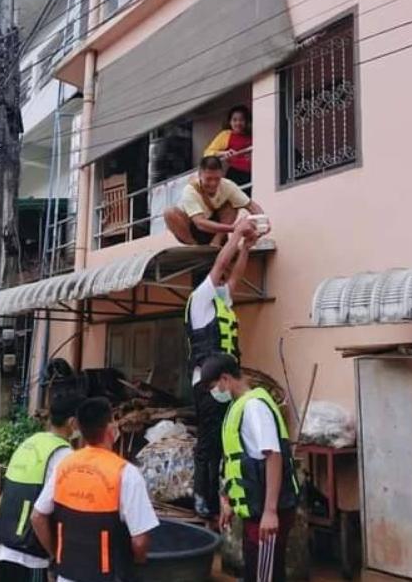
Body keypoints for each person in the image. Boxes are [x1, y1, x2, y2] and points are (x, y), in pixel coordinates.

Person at [31, 397, 159, 582]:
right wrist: (136, 565)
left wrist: (56, 556)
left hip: (67, 574)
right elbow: (140, 541)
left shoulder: (64, 465)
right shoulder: (126, 473)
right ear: (110, 429)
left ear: (80, 429)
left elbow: (38, 516)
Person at [200, 353, 300, 582]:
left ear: (225, 379)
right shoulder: (239, 407)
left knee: (265, 576)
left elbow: (272, 456)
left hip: (266, 510)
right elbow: (239, 462)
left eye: (213, 387)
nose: (214, 393)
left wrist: (270, 511)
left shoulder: (254, 407)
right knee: (256, 571)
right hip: (254, 510)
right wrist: (228, 499)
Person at [185, 215, 259, 521]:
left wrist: (247, 247)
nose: (225, 278)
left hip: (227, 383)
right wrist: (236, 233)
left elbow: (235, 277)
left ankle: (228, 497)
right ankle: (204, 502)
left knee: (231, 440)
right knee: (210, 442)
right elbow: (219, 267)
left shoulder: (221, 300)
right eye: (219, 276)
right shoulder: (201, 299)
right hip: (208, 384)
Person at [0, 395, 82, 582]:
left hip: (4, 549)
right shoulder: (64, 455)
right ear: (72, 422)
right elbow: (38, 516)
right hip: (31, 556)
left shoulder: (29, 443)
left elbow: (4, 493)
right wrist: (55, 555)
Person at [164, 156, 266, 247]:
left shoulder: (228, 185)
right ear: (200, 175)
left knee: (231, 204)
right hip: (195, 229)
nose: (213, 183)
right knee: (169, 213)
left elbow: (251, 205)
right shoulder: (190, 190)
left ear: (222, 174)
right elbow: (200, 223)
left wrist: (264, 222)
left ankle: (216, 241)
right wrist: (233, 229)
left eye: (217, 179)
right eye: (208, 179)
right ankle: (193, 246)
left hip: (218, 230)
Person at [204, 105, 253, 189]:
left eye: (241, 120)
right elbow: (207, 153)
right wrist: (224, 153)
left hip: (252, 173)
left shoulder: (252, 135)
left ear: (246, 121)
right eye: (234, 120)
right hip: (235, 174)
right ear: (230, 122)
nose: (238, 123)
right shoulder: (226, 134)